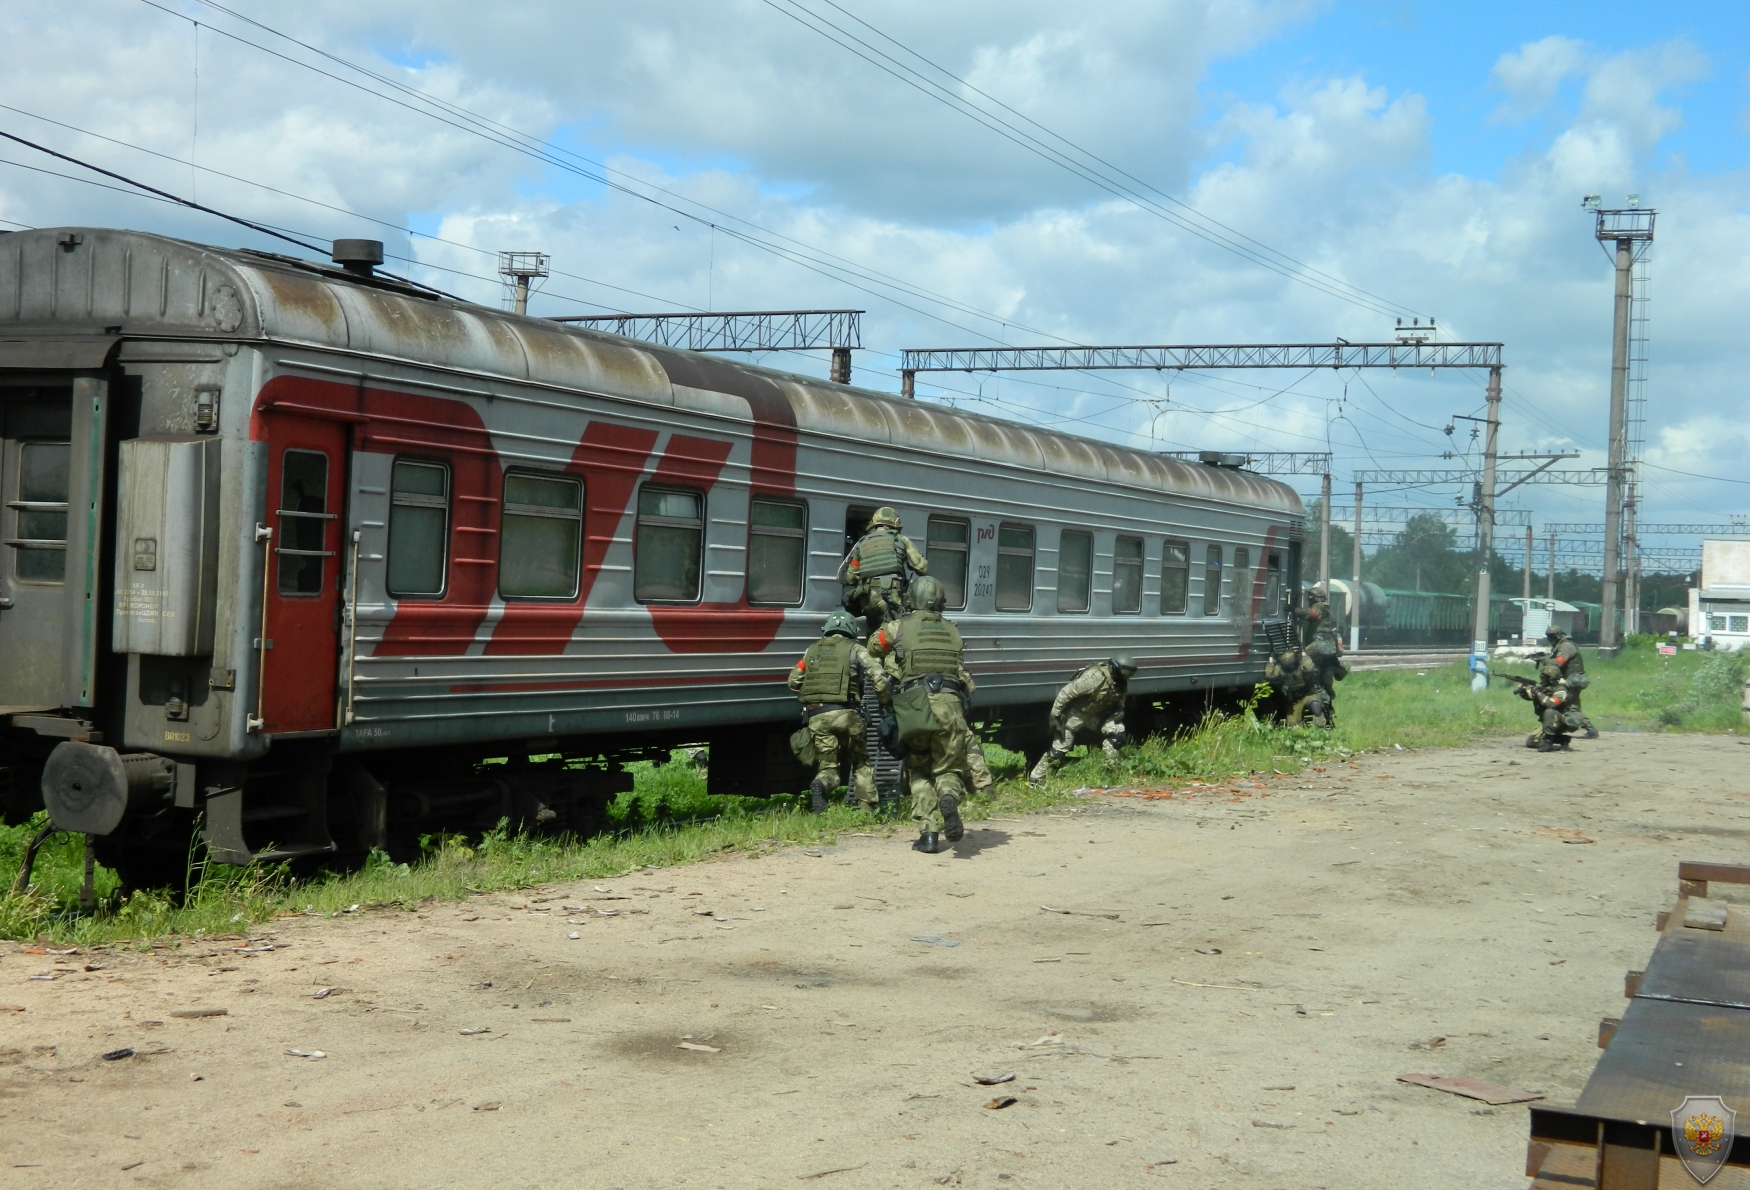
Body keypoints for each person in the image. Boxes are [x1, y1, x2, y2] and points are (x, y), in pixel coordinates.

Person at [866, 576, 973, 854]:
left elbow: (873, 647)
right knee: (948, 768)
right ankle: (949, 796)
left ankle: (928, 835)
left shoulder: (899, 626)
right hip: (951, 704)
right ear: (940, 602)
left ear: (911, 599)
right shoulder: (953, 629)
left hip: (916, 706)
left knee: (919, 769)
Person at [787, 610, 888, 813]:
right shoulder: (855, 649)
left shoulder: (812, 650)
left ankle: (822, 784)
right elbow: (879, 676)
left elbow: (792, 683)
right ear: (851, 630)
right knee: (860, 760)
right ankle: (866, 809)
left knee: (828, 766)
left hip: (817, 718)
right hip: (846, 715)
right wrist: (884, 701)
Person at [1027, 654, 1137, 784]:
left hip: (1095, 715)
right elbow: (1066, 693)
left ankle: (1108, 770)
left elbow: (1120, 695)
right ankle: (1035, 779)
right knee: (1059, 750)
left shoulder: (1120, 680)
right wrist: (1054, 716)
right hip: (1074, 715)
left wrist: (1120, 708)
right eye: (1124, 676)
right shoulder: (1094, 678)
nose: (1125, 679)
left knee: (1117, 736)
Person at [840, 506, 927, 626]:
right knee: (893, 635)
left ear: (875, 522)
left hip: (868, 599)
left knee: (874, 636)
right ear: (895, 522)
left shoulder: (862, 543)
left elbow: (850, 577)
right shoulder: (901, 540)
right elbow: (922, 568)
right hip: (891, 598)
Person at [1541, 623, 1598, 739]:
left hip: (1572, 681)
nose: (1549, 639)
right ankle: (1589, 728)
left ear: (1557, 636)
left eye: (1551, 637)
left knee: (1571, 707)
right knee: (1572, 706)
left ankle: (1589, 729)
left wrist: (1544, 659)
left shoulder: (1566, 646)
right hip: (1569, 680)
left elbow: (1558, 663)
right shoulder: (1561, 645)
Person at [1518, 654, 1584, 752]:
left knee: (1549, 711)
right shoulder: (1545, 688)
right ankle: (1562, 740)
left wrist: (1538, 693)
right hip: (1550, 722)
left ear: (1552, 679)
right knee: (1531, 742)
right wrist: (1523, 691)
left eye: (1545, 678)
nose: (1542, 681)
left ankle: (1548, 742)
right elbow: (1530, 696)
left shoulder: (1561, 689)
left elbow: (1552, 704)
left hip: (1564, 721)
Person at [1264, 648, 1331, 727]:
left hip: (1307, 695)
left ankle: (1321, 725)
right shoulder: (1280, 669)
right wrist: (1271, 661)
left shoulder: (1300, 666)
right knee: (1293, 726)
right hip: (1294, 701)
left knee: (1315, 705)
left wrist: (1304, 654)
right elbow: (1269, 675)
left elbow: (1309, 668)